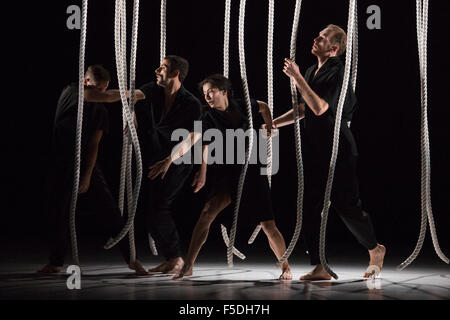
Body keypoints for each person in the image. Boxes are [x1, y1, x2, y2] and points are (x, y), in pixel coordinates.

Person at [148, 74, 292, 280]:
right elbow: (192, 139)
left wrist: (270, 125)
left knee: (269, 225)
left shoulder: (243, 106)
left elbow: (264, 106)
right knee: (207, 213)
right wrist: (169, 160)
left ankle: (285, 266)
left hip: (251, 169)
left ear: (224, 92)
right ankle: (188, 265)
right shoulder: (207, 117)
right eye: (204, 94)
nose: (207, 97)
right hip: (228, 172)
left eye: (211, 92)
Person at [273, 24, 386, 280]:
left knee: (346, 205)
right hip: (316, 146)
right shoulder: (314, 70)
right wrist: (273, 124)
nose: (315, 38)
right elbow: (304, 109)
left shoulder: (338, 72)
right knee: (311, 206)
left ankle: (375, 250)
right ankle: (320, 265)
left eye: (322, 37)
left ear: (333, 49)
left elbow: (321, 107)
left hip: (338, 148)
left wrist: (297, 77)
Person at [38, 65, 147, 275]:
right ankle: (55, 262)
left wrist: (87, 176)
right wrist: (131, 95)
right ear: (86, 83)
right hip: (60, 161)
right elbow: (105, 98)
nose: (103, 94)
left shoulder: (100, 110)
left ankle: (132, 259)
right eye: (99, 89)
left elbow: (94, 144)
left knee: (110, 210)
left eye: (106, 89)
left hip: (86, 162)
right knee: (57, 212)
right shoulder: (72, 91)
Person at [133, 56, 202, 274]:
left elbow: (193, 137)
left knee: (159, 208)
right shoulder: (154, 90)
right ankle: (172, 258)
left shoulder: (191, 103)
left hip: (178, 160)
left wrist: (169, 160)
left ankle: (176, 258)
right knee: (151, 210)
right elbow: (131, 95)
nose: (156, 70)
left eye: (162, 67)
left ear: (175, 74)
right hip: (157, 156)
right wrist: (130, 112)